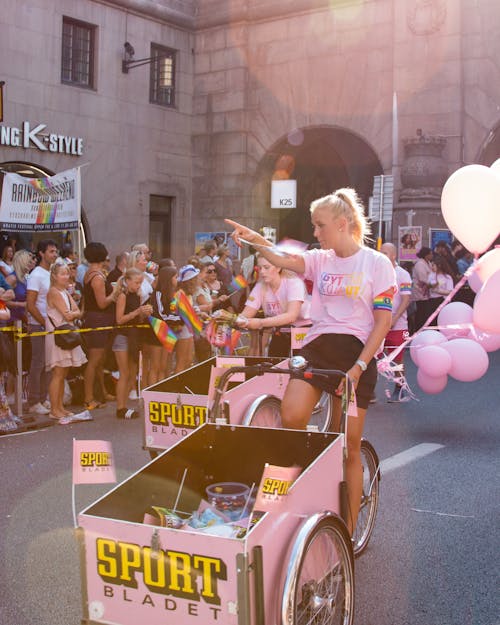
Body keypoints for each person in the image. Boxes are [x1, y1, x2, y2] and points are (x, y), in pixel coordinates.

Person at [226, 187, 396, 535]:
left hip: (357, 355)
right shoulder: (321, 259)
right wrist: (254, 238)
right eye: (314, 227)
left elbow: (382, 323)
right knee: (291, 417)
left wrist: (359, 367)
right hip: (318, 348)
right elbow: (283, 259)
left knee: (348, 447)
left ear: (343, 223)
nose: (315, 234)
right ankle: (306, 482)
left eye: (320, 226)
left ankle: (347, 533)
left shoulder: (377, 263)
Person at [235, 254, 308, 357]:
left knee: (298, 366)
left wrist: (260, 323)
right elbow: (246, 313)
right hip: (280, 330)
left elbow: (291, 316)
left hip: (303, 331)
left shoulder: (294, 282)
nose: (262, 272)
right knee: (274, 364)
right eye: (259, 268)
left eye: (266, 267)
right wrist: (233, 320)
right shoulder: (260, 286)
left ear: (278, 267)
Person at [45, 260, 87, 421]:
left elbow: (76, 312)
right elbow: (70, 314)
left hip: (65, 333)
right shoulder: (54, 292)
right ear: (54, 276)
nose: (66, 276)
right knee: (58, 373)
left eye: (67, 273)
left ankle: (60, 407)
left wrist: (74, 313)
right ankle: (55, 408)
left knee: (63, 372)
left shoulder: (64, 291)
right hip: (58, 334)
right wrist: (74, 313)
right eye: (62, 274)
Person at [82, 242, 119, 410]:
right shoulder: (97, 277)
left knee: (100, 359)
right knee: (94, 359)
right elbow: (102, 303)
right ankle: (89, 397)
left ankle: (100, 392)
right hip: (98, 318)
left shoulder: (91, 273)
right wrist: (115, 293)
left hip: (96, 318)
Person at [113, 267, 152, 419]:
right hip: (122, 336)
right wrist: (137, 312)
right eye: (136, 282)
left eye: (140, 283)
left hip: (133, 336)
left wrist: (143, 313)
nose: (138, 285)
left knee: (131, 372)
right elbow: (119, 319)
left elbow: (135, 318)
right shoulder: (123, 295)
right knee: (124, 373)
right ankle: (120, 407)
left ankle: (124, 406)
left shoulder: (136, 295)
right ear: (127, 281)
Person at [26, 239, 59, 415]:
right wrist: (43, 322)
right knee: (37, 363)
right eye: (51, 251)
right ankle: (33, 401)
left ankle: (44, 398)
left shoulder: (50, 274)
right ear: (41, 253)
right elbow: (30, 304)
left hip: (50, 325)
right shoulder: (36, 275)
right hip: (38, 325)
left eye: (55, 252)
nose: (54, 254)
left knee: (49, 364)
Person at [380, 243, 412, 402]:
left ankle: (399, 389)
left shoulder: (403, 274)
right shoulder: (377, 272)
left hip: (399, 326)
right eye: (381, 253)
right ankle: (367, 392)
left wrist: (394, 318)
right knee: (372, 357)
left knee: (397, 359)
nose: (382, 255)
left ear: (393, 255)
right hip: (379, 325)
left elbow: (406, 299)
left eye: (385, 253)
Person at [149, 265, 179, 380]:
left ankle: (160, 395)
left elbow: (173, 312)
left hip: (168, 331)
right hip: (157, 331)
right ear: (168, 279)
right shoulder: (158, 294)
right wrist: (180, 320)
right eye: (176, 277)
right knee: (155, 367)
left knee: (163, 366)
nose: (177, 280)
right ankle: (151, 396)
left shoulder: (172, 295)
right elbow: (160, 315)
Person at [412, 246, 434, 331]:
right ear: (426, 255)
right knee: (421, 311)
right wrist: (433, 284)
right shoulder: (420, 264)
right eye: (430, 254)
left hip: (426, 290)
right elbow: (422, 278)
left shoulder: (428, 263)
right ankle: (418, 329)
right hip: (420, 290)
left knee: (425, 311)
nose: (432, 255)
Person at [427, 256, 454, 321]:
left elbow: (450, 291)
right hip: (432, 301)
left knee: (443, 319)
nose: (432, 267)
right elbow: (429, 286)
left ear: (439, 265)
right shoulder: (431, 275)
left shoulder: (447, 277)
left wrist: (437, 291)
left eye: (433, 265)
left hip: (442, 300)